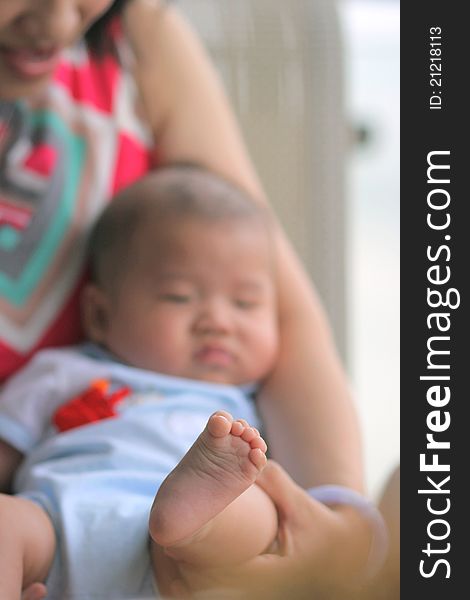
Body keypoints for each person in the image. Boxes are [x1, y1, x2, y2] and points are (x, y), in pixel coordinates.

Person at [0, 1, 379, 597]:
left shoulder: (138, 38)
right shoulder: (65, 374)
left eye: (245, 305)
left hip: (183, 549)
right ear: (100, 313)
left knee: (252, 505)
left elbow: (295, 322)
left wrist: (338, 517)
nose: (58, 21)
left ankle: (189, 517)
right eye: (179, 296)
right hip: (56, 515)